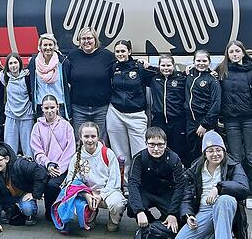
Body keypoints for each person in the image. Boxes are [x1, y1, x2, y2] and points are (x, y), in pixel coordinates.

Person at [172, 131, 249, 239]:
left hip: (225, 208)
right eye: (210, 151)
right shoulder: (194, 170)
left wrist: (219, 188)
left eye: (218, 150)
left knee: (225, 199)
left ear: (224, 150)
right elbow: (187, 197)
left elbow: (244, 188)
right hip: (204, 211)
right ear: (204, 153)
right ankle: (220, 237)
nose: (215, 154)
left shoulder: (233, 165)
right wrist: (188, 215)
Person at [216, 40, 252, 210]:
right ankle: (238, 191)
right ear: (227, 54)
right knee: (235, 158)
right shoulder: (222, 70)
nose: (234, 54)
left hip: (249, 120)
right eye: (231, 52)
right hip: (231, 120)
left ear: (243, 53)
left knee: (251, 157)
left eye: (237, 51)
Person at [106, 40, 156, 185]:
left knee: (140, 153)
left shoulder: (139, 67)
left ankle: (141, 185)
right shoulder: (113, 68)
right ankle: (125, 185)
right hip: (115, 113)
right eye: (118, 52)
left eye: (123, 51)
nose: (120, 54)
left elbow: (161, 73)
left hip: (136, 115)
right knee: (121, 154)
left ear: (129, 52)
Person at [63, 122, 127, 232]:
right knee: (76, 207)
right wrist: (86, 195)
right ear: (81, 137)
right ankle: (91, 215)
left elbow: (114, 181)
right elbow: (71, 181)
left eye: (93, 136)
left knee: (117, 204)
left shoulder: (108, 153)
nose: (90, 140)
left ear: (98, 137)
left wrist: (101, 195)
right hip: (88, 193)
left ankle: (114, 220)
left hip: (108, 192)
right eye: (86, 136)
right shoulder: (76, 157)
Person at [127, 127, 185, 233]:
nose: (156, 149)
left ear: (166, 144)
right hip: (146, 191)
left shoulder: (174, 159)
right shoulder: (139, 158)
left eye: (160, 144)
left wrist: (172, 213)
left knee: (178, 218)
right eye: (152, 144)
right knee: (132, 207)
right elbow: (132, 184)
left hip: (165, 192)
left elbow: (180, 186)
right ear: (146, 143)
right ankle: (147, 222)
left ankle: (160, 225)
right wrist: (139, 211)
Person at [0, 143, 47, 233]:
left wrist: (35, 194)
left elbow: (41, 172)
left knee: (28, 209)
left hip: (24, 195)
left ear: (7, 159)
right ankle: (10, 210)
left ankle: (31, 214)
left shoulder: (20, 164)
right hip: (8, 196)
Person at [65, 27, 116, 143]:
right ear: (79, 41)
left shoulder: (107, 56)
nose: (86, 41)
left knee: (101, 141)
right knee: (80, 142)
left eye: (89, 38)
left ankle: (101, 162)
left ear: (95, 39)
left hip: (102, 108)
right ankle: (80, 162)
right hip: (78, 108)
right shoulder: (73, 56)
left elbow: (119, 71)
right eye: (83, 39)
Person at [30, 95, 75, 221]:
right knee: (41, 180)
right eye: (46, 108)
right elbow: (37, 151)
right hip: (44, 166)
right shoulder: (37, 127)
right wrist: (48, 164)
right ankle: (43, 211)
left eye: (52, 107)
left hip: (61, 167)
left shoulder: (66, 126)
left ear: (57, 108)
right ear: (42, 109)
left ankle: (56, 210)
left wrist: (59, 168)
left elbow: (70, 150)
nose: (49, 111)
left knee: (52, 185)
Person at [149, 55, 188, 166]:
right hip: (159, 121)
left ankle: (180, 174)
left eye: (169, 65)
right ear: (159, 66)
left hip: (177, 121)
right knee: (160, 148)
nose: (166, 68)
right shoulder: (154, 78)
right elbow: (142, 70)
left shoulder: (181, 78)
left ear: (173, 65)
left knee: (178, 149)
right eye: (163, 65)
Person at [185, 50, 221, 167]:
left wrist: (205, 124)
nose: (201, 63)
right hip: (190, 121)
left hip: (205, 123)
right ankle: (195, 182)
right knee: (192, 153)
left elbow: (216, 104)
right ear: (193, 62)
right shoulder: (189, 74)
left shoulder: (212, 80)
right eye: (198, 61)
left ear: (209, 62)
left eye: (204, 61)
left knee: (207, 153)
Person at [28, 33, 70, 119]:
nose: (48, 48)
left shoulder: (63, 62)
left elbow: (68, 83)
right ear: (40, 47)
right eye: (45, 45)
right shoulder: (34, 62)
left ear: (55, 46)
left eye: (50, 45)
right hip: (41, 106)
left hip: (59, 106)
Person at [0, 52, 34, 156]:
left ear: (20, 63)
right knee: (10, 147)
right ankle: (11, 169)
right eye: (10, 63)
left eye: (15, 62)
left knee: (28, 147)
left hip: (27, 115)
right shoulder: (4, 76)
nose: (13, 66)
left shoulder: (27, 77)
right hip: (11, 115)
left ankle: (29, 167)